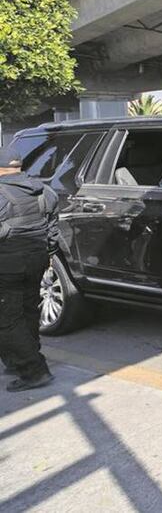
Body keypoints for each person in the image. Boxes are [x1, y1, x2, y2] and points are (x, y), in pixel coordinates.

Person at [0, 157, 59, 392]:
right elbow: (52, 229)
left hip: (7, 266)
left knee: (7, 320)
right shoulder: (45, 190)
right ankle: (17, 360)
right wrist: (48, 256)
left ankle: (34, 371)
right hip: (37, 260)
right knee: (26, 312)